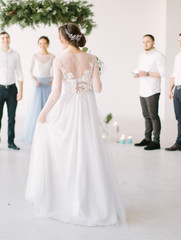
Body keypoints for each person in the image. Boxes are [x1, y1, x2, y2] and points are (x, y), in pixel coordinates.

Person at [25, 23, 126, 226]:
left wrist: (42, 114)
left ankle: (70, 201)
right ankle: (94, 203)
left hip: (68, 109)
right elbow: (97, 88)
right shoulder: (92, 58)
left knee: (68, 152)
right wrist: (86, 80)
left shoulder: (60, 60)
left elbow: (56, 93)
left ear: (64, 39)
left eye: (59, 38)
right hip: (87, 107)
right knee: (89, 151)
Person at [0, 32, 23, 151]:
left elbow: (20, 74)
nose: (5, 40)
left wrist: (20, 91)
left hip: (12, 89)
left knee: (11, 118)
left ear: (10, 39)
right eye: (2, 38)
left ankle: (11, 142)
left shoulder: (15, 55)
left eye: (7, 37)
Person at [19, 36, 55, 143]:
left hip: (48, 84)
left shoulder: (52, 56)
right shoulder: (34, 56)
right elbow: (30, 71)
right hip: (38, 84)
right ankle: (35, 133)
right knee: (36, 109)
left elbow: (56, 71)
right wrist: (35, 81)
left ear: (48, 44)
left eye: (44, 43)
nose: (42, 45)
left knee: (48, 108)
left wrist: (53, 79)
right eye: (40, 43)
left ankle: (49, 134)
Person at [133, 34, 166, 150]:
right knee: (146, 115)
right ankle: (147, 139)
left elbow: (162, 73)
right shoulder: (141, 56)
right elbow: (141, 69)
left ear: (153, 42)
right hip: (142, 89)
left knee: (153, 115)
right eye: (143, 42)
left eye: (148, 42)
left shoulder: (159, 56)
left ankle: (156, 141)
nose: (145, 44)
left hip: (153, 90)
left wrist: (146, 74)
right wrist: (138, 74)